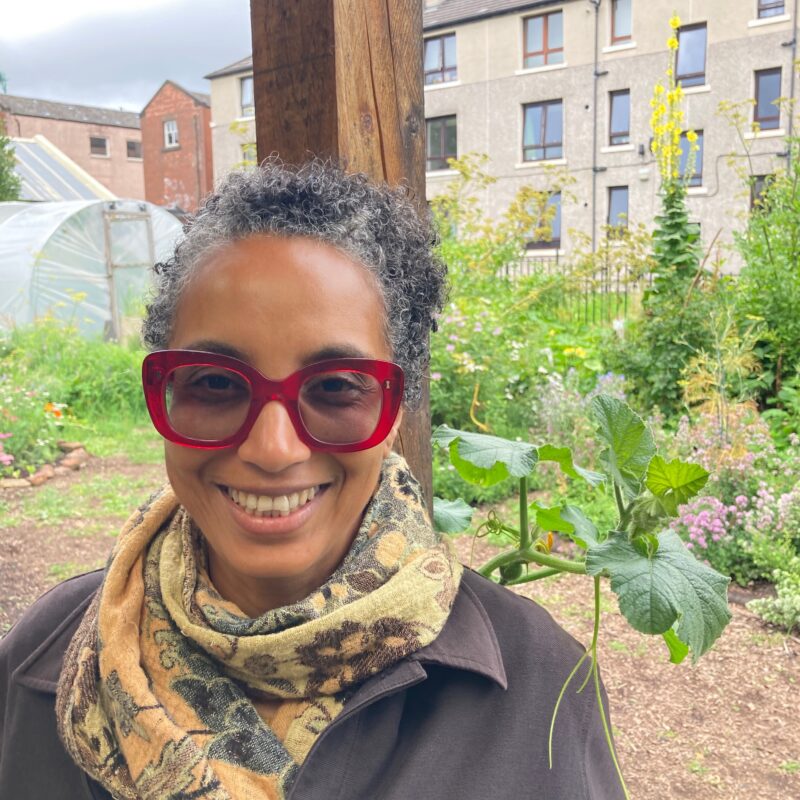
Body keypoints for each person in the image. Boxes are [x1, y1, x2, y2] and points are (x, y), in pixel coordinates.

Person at [0, 160, 625, 800]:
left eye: (334, 389)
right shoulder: (39, 658)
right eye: (215, 384)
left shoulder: (541, 688)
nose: (273, 449)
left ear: (393, 412)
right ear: (167, 392)